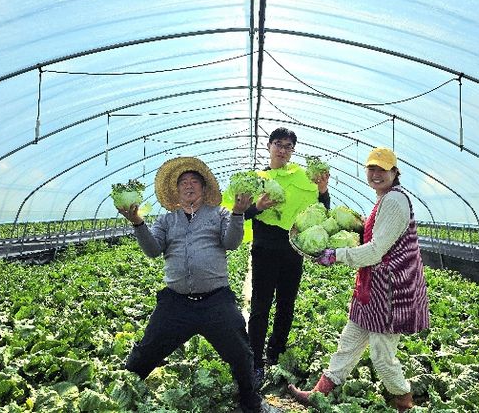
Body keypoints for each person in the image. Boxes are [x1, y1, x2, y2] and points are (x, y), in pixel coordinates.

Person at [116, 156, 266, 413]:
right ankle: (121, 392)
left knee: (241, 352)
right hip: (176, 303)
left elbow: (231, 243)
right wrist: (138, 223)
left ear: (204, 188)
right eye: (183, 182)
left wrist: (238, 213)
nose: (188, 185)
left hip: (216, 301)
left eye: (194, 181)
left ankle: (249, 400)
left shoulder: (219, 214)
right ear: (176, 190)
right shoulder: (166, 220)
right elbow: (153, 250)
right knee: (145, 353)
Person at [288, 147, 429, 412]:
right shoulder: (384, 199)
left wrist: (336, 255)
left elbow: (376, 250)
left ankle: (404, 400)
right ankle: (320, 392)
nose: (376, 174)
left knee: (381, 354)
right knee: (350, 340)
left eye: (382, 170)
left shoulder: (394, 201)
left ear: (394, 172)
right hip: (373, 285)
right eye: (371, 168)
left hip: (391, 290)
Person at [244, 127, 331, 386]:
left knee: (286, 305)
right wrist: (257, 206)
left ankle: (275, 353)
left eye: (288, 146)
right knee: (260, 306)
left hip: (293, 251)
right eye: (278, 144)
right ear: (269, 146)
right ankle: (255, 361)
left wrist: (323, 190)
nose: (282, 150)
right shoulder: (258, 179)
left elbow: (320, 212)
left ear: (293, 151)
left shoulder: (303, 180)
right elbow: (240, 213)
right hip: (264, 250)